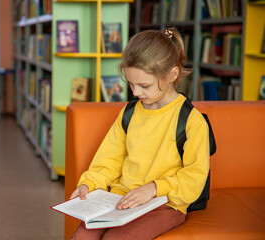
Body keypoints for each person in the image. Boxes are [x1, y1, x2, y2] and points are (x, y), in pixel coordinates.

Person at [70, 28, 210, 240]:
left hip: (165, 203)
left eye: (144, 85)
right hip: (121, 197)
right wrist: (88, 183)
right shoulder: (129, 113)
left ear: (172, 75)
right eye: (131, 84)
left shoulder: (191, 120)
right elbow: (109, 159)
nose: (135, 93)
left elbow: (194, 178)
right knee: (82, 236)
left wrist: (154, 188)